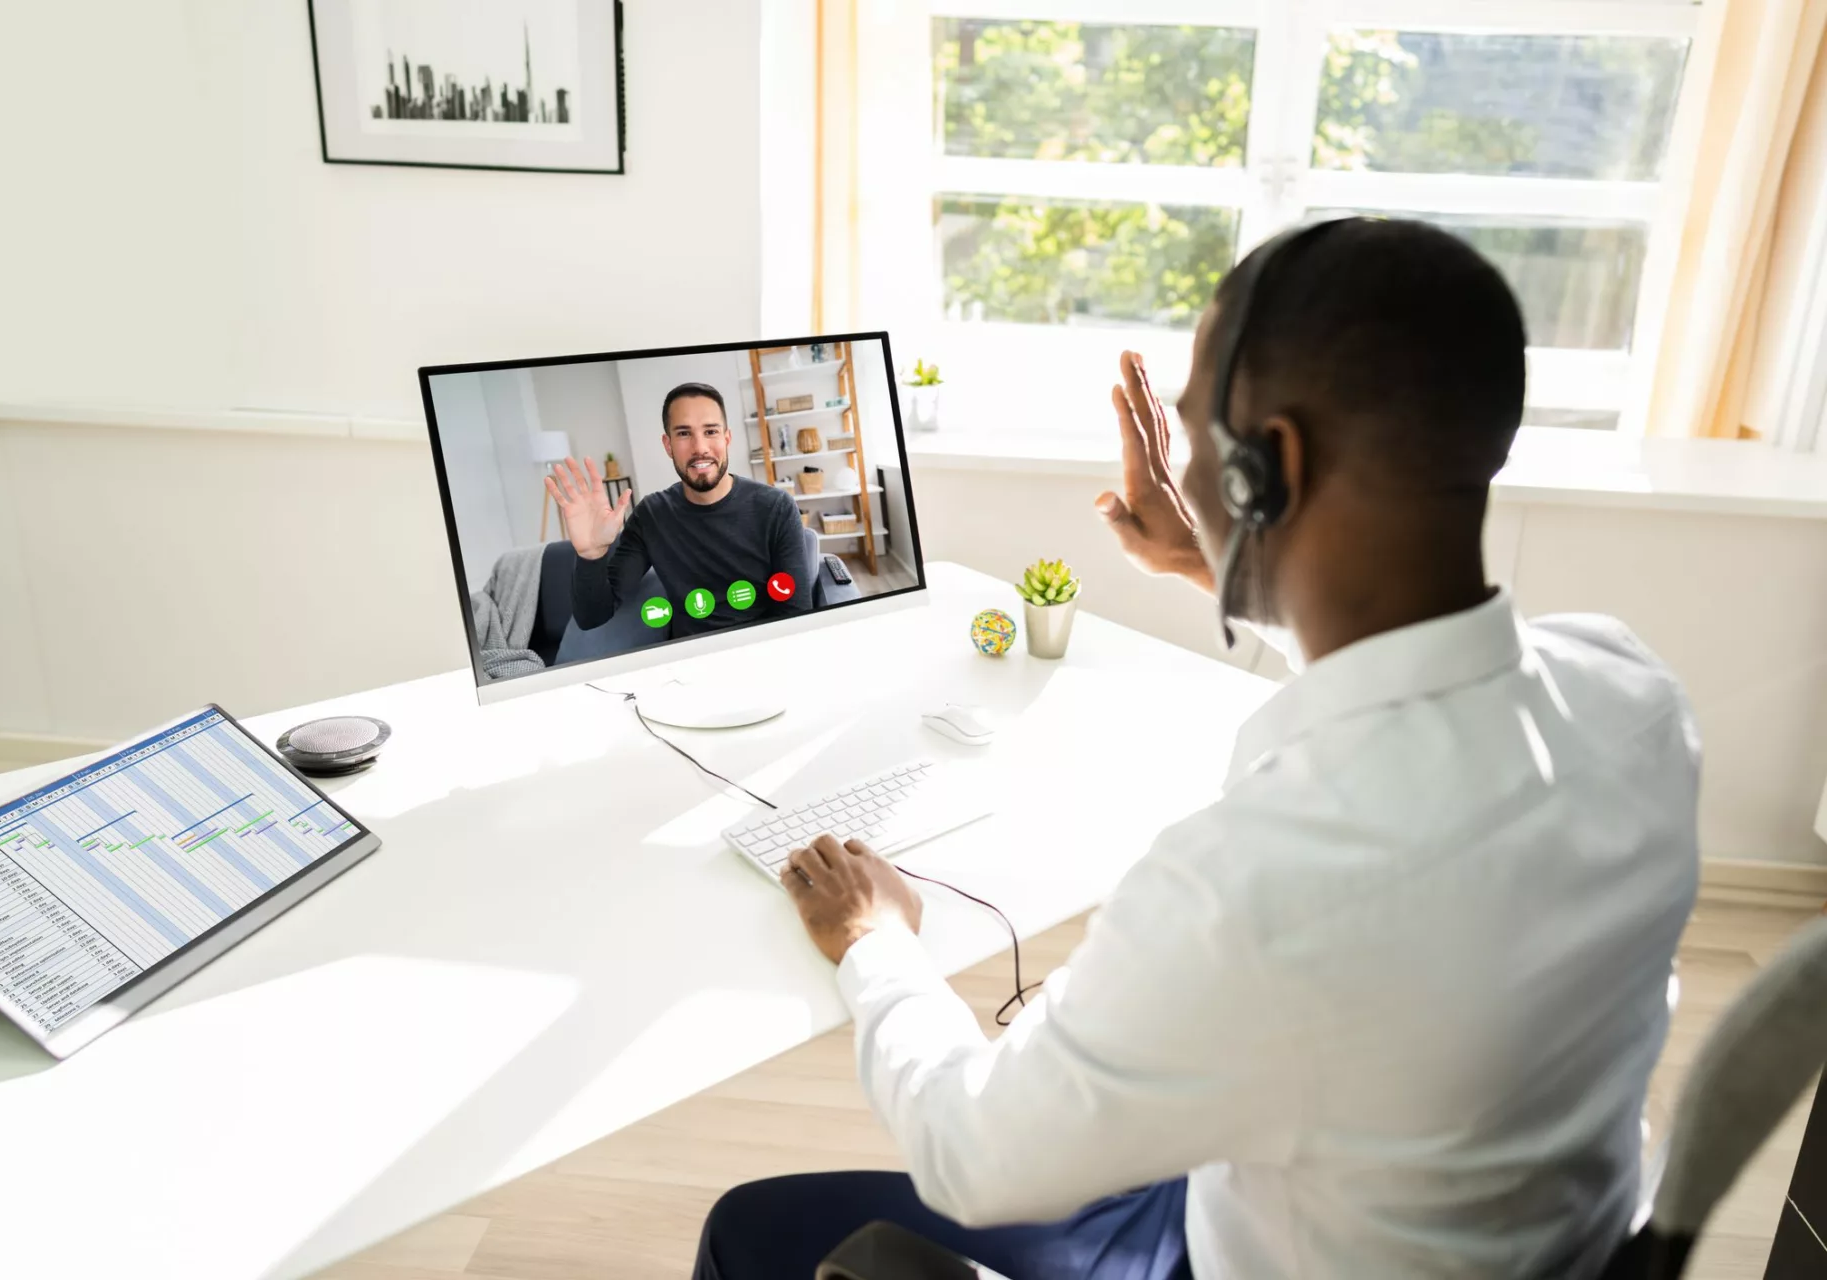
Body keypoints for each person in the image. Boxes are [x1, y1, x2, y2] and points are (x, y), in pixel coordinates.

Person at [693, 219, 1701, 1279]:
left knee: (749, 1230)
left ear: (1275, 465)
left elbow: (970, 1155)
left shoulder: (1257, 886)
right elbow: (1418, 686)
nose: (1178, 443)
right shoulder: (1632, 696)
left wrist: (873, 936)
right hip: (1497, 1233)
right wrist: (1226, 557)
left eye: (1194, 424)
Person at [548, 381, 812, 637]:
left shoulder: (775, 507)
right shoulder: (651, 515)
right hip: (685, 663)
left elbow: (796, 616)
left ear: (727, 438)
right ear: (668, 445)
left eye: (711, 431)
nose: (700, 448)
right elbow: (593, 617)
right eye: (684, 433)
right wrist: (590, 554)